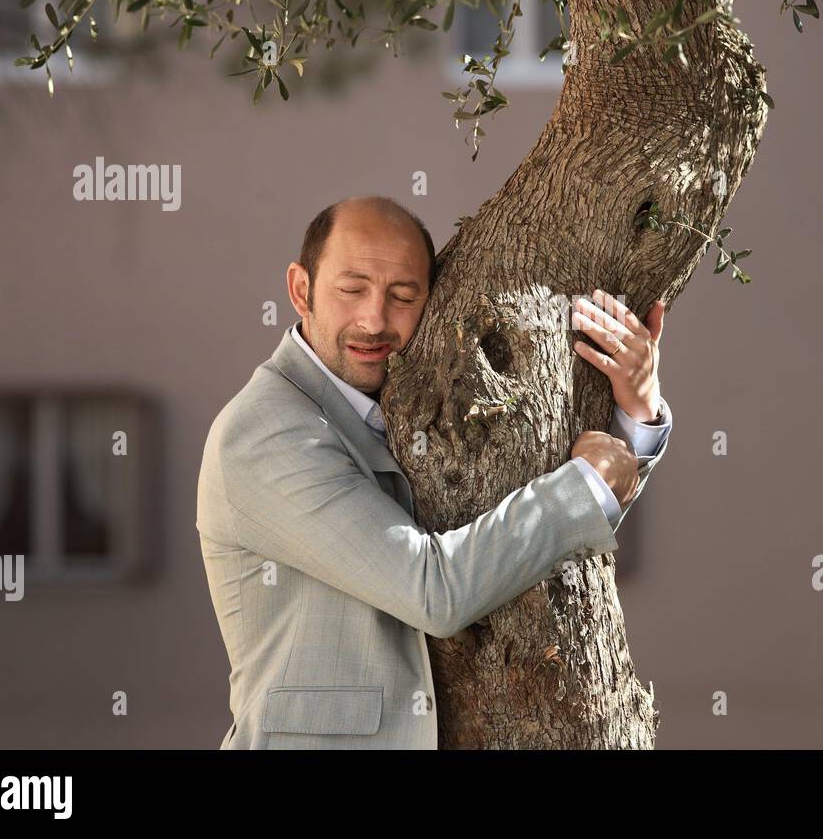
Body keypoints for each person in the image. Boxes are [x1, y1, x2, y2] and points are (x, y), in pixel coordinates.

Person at [196, 195, 673, 748]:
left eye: (403, 296)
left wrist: (636, 416)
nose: (374, 319)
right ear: (301, 290)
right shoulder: (267, 430)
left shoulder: (399, 406)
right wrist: (586, 487)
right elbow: (434, 591)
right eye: (351, 290)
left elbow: (524, 540)